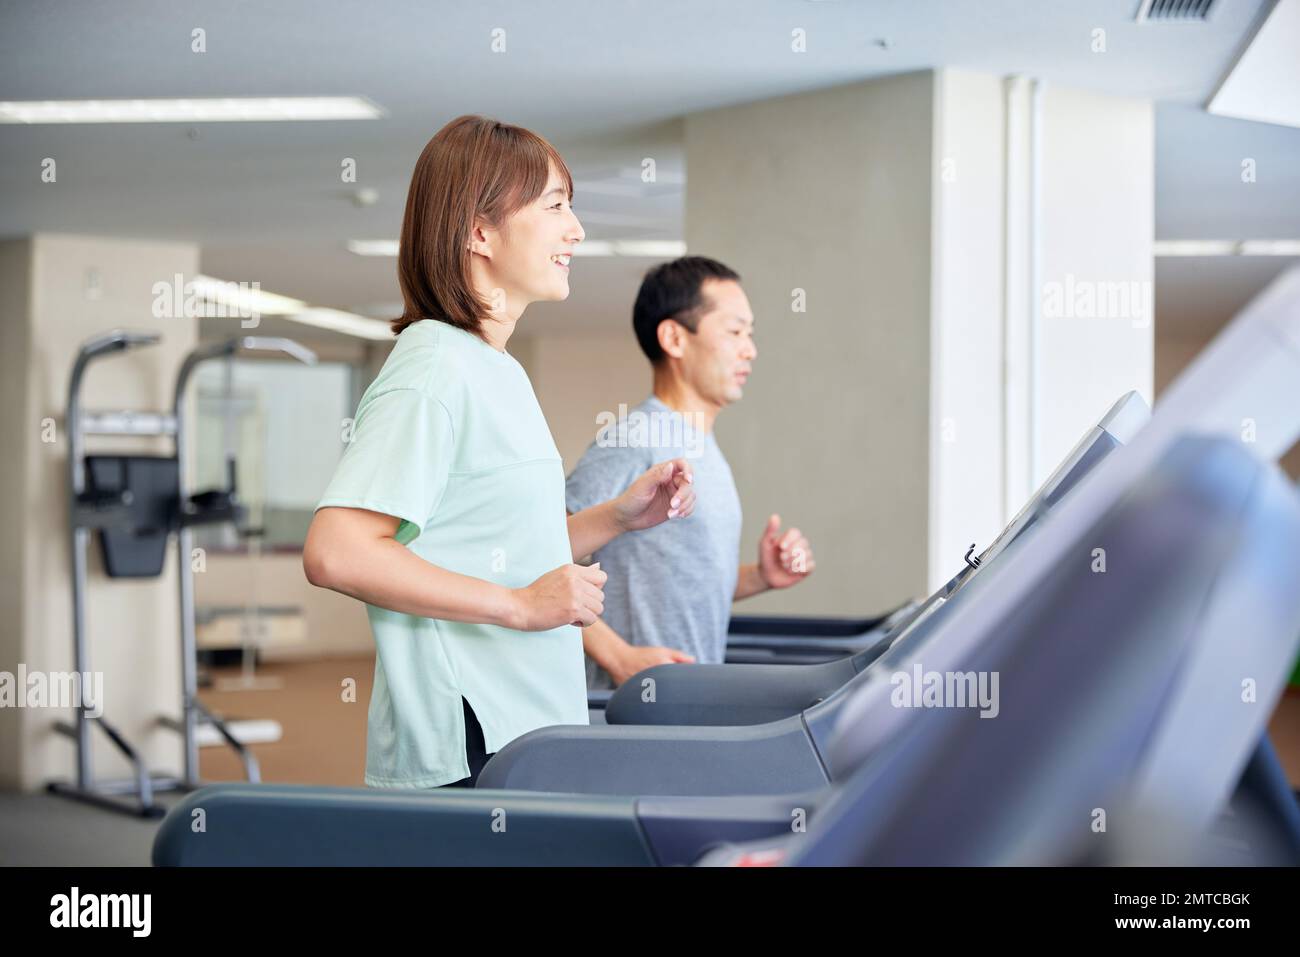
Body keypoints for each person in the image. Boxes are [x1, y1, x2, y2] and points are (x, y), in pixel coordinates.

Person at [302, 115, 697, 788]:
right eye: (554, 206)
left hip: (528, 725)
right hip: (470, 739)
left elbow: (495, 545)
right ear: (479, 230)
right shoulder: (432, 369)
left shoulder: (494, 368)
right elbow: (335, 550)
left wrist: (618, 519)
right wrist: (517, 606)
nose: (575, 230)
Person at [567, 256, 815, 690]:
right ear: (674, 339)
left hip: (686, 702)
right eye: (735, 332)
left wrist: (760, 576)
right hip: (629, 713)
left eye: (750, 334)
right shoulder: (636, 439)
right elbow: (534, 555)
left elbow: (679, 582)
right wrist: (617, 655)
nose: (750, 349)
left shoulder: (703, 447)